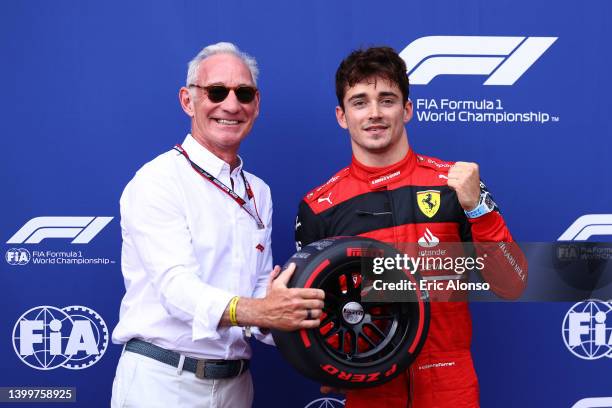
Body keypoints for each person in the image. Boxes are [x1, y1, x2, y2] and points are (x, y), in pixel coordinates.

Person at [295, 46, 527, 407]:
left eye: (386, 100)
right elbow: (311, 312)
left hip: (451, 388)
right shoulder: (319, 207)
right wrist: (327, 363)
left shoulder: (456, 185)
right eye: (360, 102)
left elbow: (513, 283)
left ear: (407, 109)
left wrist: (479, 208)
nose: (374, 113)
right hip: (370, 391)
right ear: (342, 116)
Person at [110, 42, 324, 408]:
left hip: (236, 385)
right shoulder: (157, 180)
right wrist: (261, 311)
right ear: (187, 100)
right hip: (163, 384)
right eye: (216, 91)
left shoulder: (258, 191)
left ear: (256, 104)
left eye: (243, 93)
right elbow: (176, 289)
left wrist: (299, 317)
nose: (231, 104)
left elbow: (257, 286)